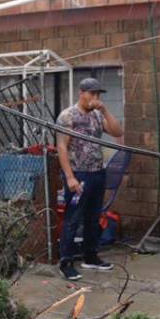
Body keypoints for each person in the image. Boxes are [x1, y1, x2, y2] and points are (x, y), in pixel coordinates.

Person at [56, 77, 124, 282]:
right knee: (73, 217)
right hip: (78, 173)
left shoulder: (96, 115)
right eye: (91, 93)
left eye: (97, 94)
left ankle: (90, 255)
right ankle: (66, 262)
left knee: (93, 217)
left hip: (97, 172)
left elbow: (117, 132)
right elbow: (61, 147)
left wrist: (104, 110)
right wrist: (69, 177)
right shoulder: (68, 116)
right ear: (81, 93)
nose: (95, 98)